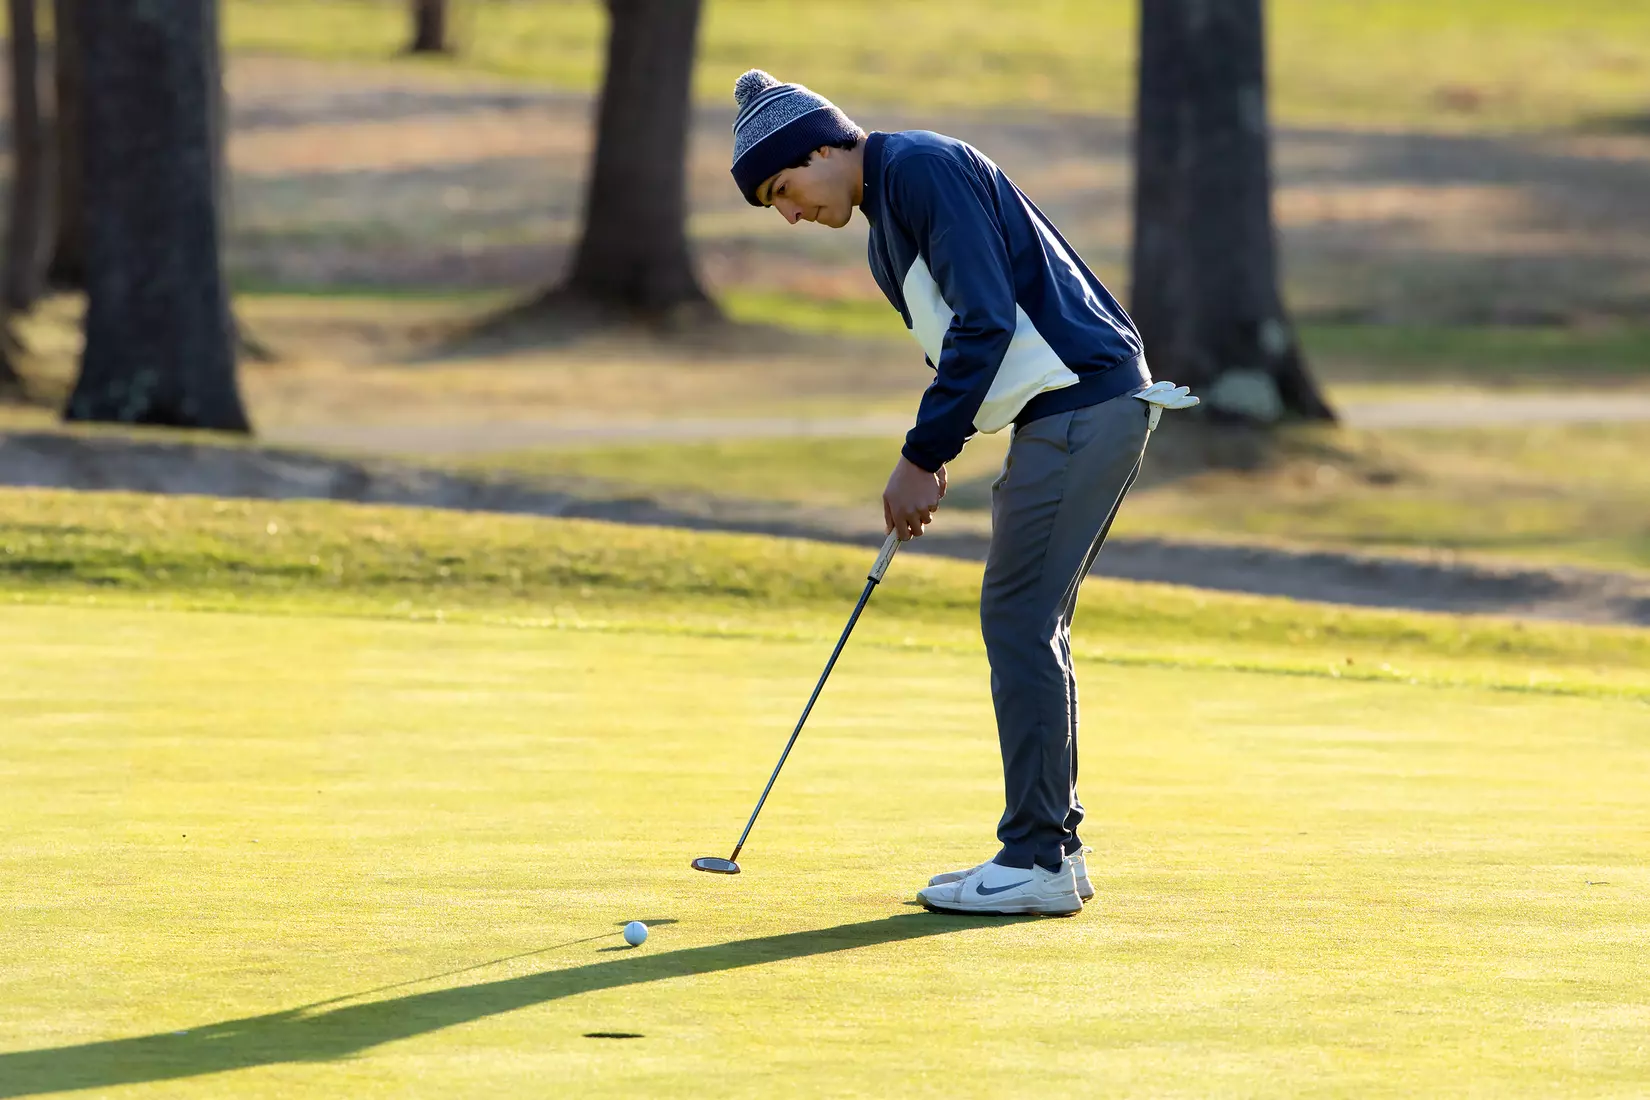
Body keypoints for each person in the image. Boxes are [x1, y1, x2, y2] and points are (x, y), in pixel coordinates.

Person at [729, 70, 1195, 916]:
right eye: (774, 206)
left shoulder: (920, 169)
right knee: (1029, 619)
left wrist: (921, 452)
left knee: (1018, 618)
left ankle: (1037, 859)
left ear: (824, 147)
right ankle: (1054, 848)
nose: (791, 214)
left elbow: (985, 319)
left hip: (1084, 406)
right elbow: (965, 346)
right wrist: (941, 451)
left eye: (785, 189)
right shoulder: (886, 228)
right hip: (1066, 412)